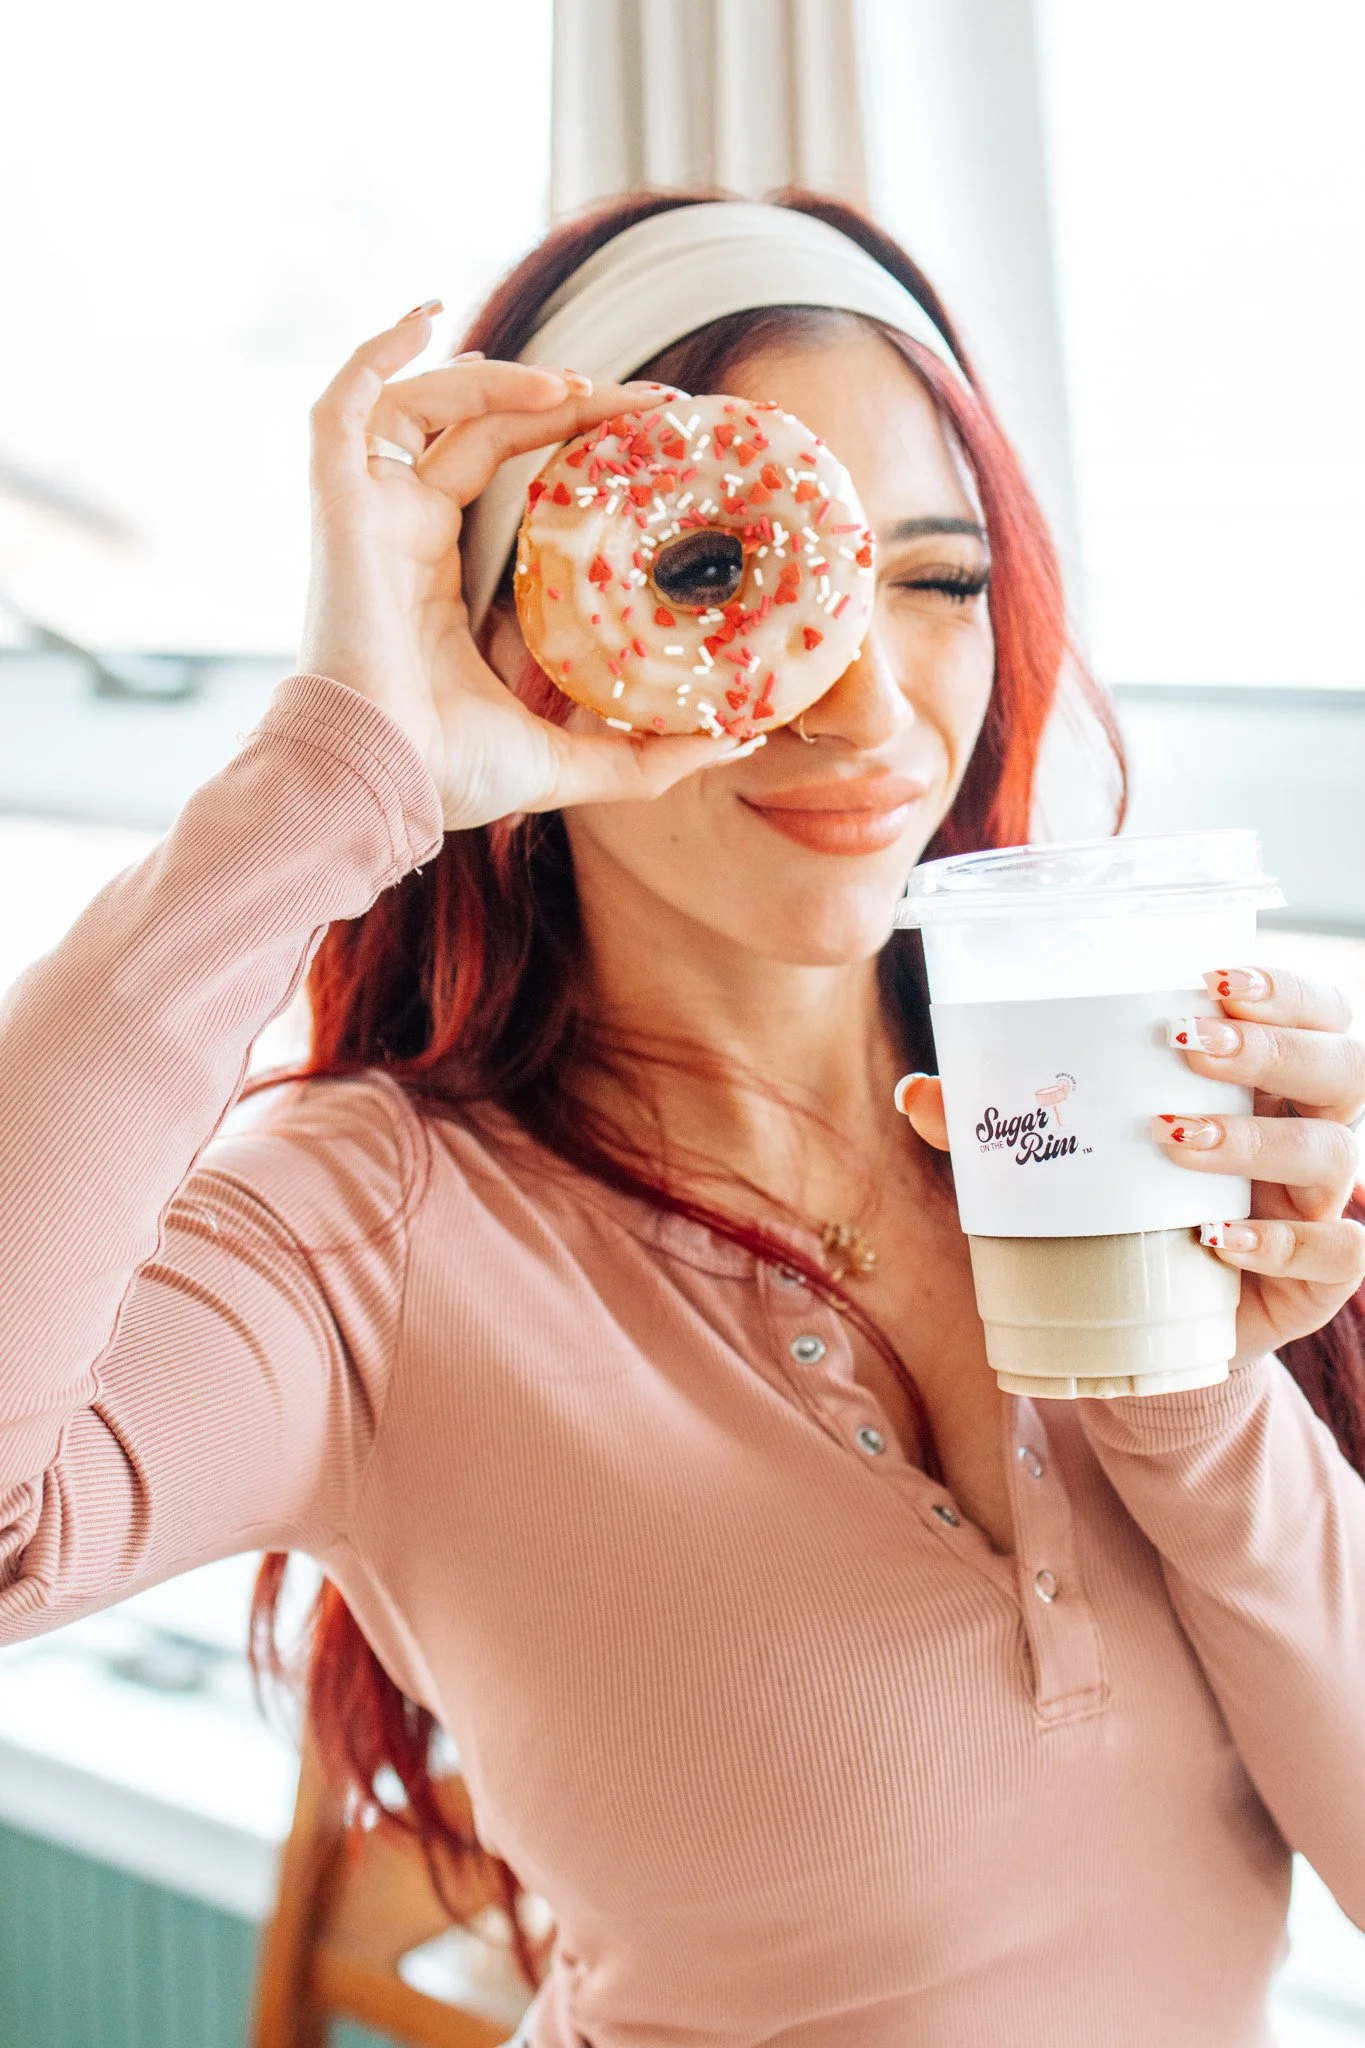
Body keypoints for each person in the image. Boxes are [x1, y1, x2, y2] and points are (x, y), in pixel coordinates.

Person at [1, 190, 1363, 2048]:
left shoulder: (1133, 1108)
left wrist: (1198, 1385)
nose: (867, 705)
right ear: (519, 646)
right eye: (721, 576)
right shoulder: (368, 1236)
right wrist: (338, 775)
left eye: (943, 583)